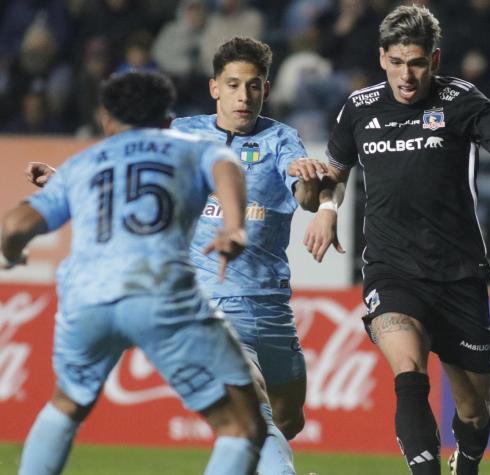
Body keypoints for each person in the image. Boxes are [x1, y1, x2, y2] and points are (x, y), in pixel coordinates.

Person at [25, 37, 325, 475]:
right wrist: (64, 178)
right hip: (213, 297)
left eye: (254, 86)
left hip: (271, 304)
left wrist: (310, 182)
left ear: (265, 88)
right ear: (214, 88)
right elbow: (125, 159)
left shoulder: (282, 139)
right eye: (234, 84)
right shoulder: (184, 131)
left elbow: (308, 199)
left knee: (287, 418)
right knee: (252, 409)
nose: (245, 96)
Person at [304, 5, 490, 474]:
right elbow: (336, 170)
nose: (406, 75)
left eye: (416, 63)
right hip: (391, 269)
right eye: (397, 62)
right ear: (382, 59)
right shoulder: (359, 108)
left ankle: (468, 461)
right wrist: (329, 210)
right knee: (409, 371)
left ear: (434, 60)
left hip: (458, 274)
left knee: (474, 410)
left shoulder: (461, 100)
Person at [5, 70, 266, 475]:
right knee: (243, 426)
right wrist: (234, 225)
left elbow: (14, 226)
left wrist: (11, 255)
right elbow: (227, 166)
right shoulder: (191, 146)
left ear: (106, 120)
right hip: (160, 293)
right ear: (167, 118)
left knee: (66, 404)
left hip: (86, 300)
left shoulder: (82, 163)